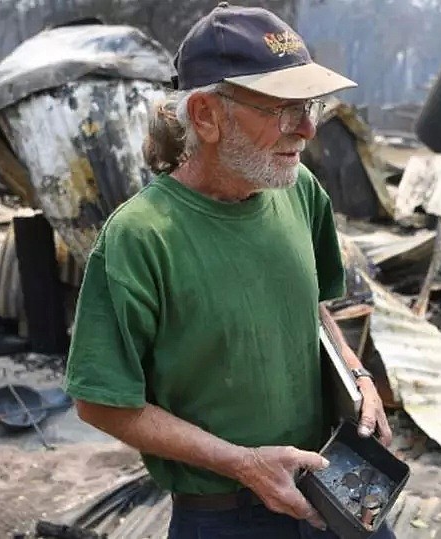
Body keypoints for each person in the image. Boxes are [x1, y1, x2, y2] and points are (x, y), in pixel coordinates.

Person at [65, 3, 394, 538]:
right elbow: (100, 401)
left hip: (331, 482)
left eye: (310, 104)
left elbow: (309, 311)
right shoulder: (141, 237)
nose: (309, 129)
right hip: (225, 515)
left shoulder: (299, 191)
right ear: (206, 116)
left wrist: (358, 377)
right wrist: (244, 463)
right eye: (285, 111)